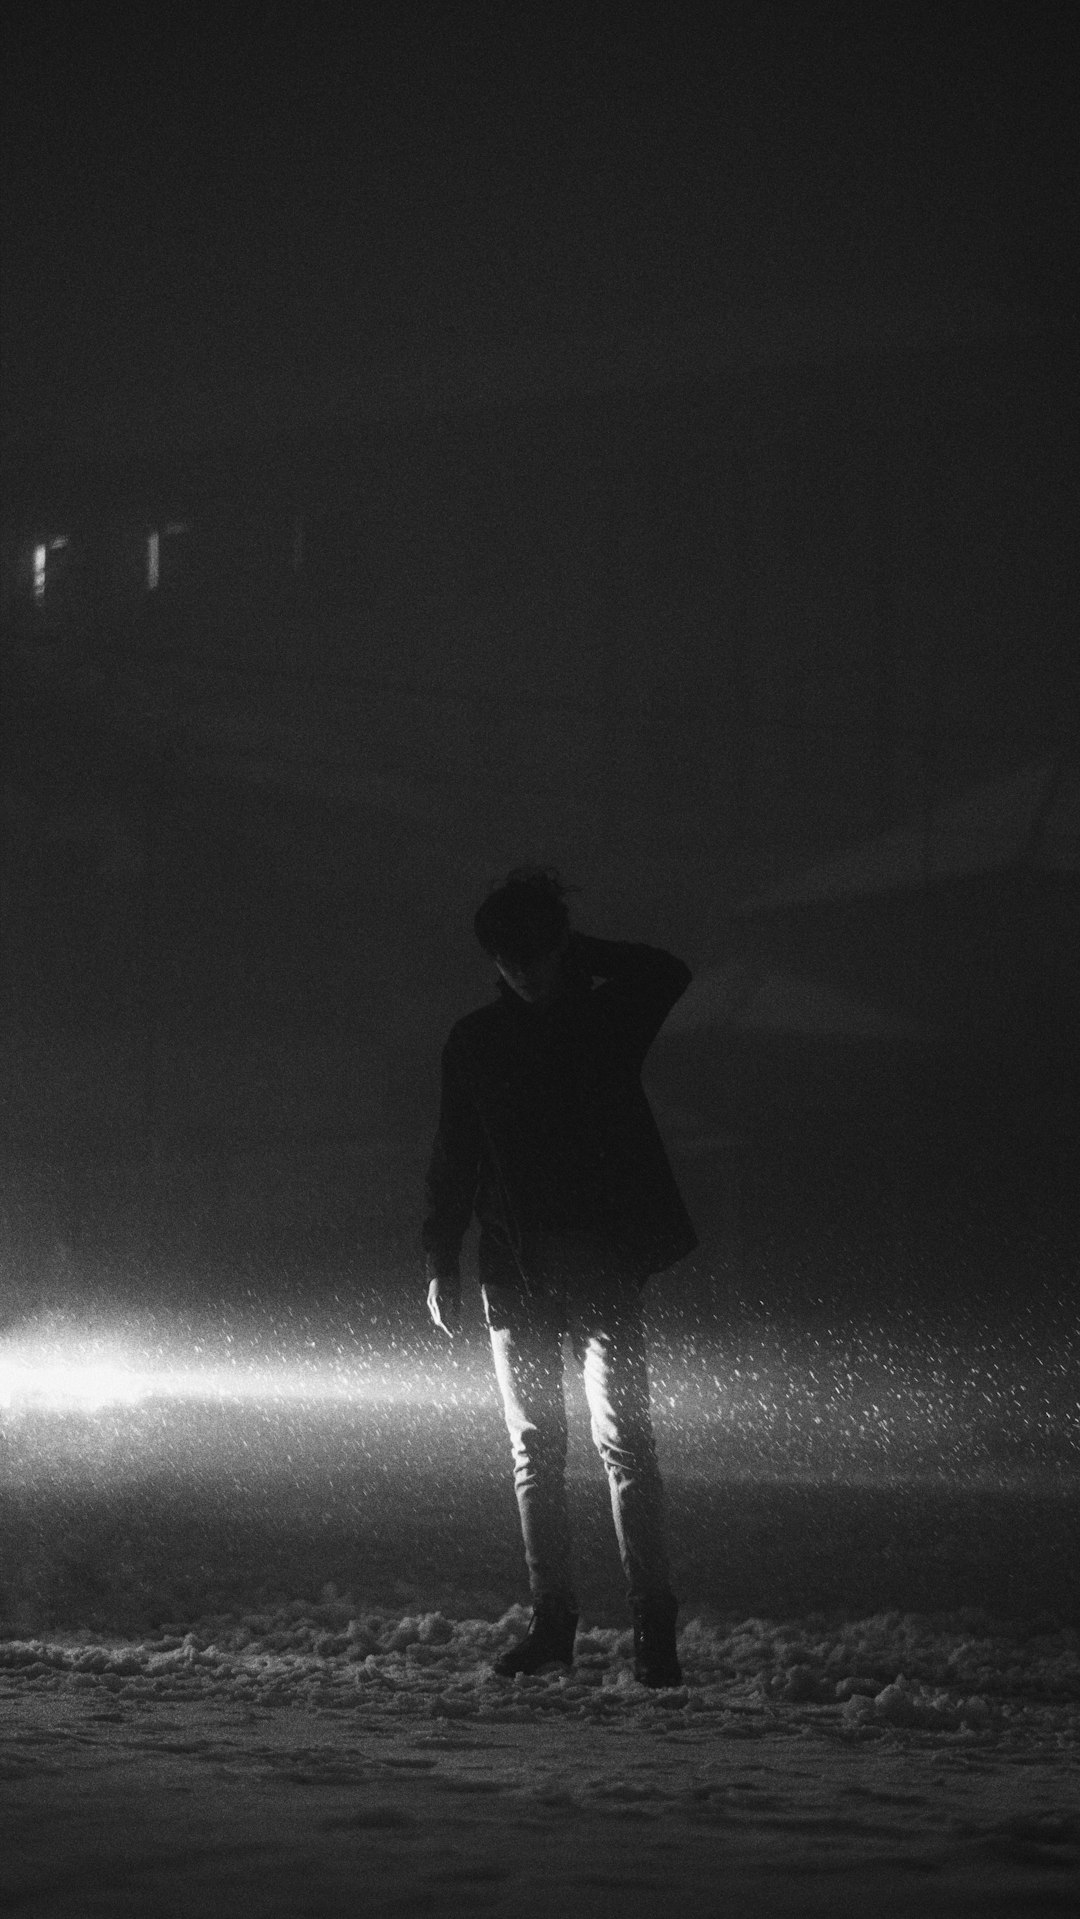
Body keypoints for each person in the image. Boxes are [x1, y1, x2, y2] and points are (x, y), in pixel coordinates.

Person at [422, 867, 697, 1686]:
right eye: (513, 960)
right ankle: (567, 1622)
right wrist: (439, 1255)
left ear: (557, 949)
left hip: (589, 1260)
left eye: (537, 956)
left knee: (616, 1444)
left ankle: (645, 1627)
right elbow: (455, 1154)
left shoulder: (600, 1019)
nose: (526, 973)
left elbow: (667, 972)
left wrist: (577, 949)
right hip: (518, 1269)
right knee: (546, 1449)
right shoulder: (482, 1040)